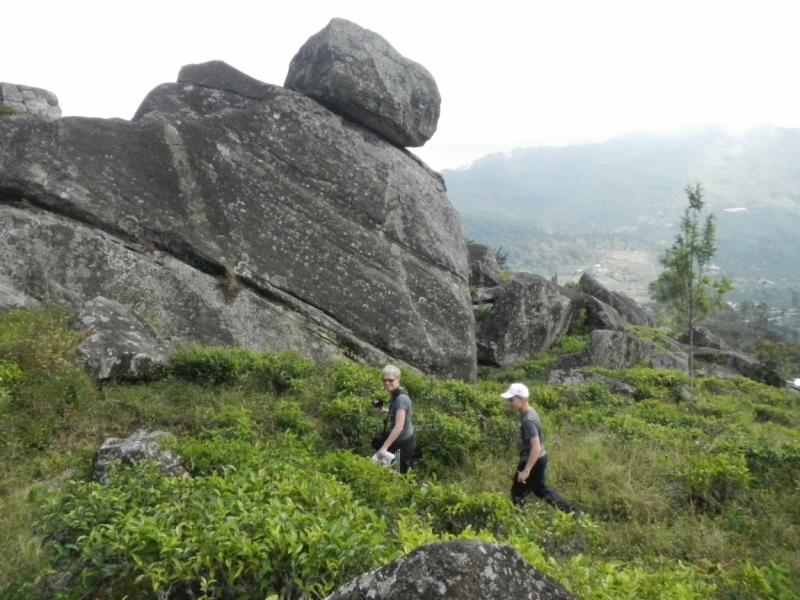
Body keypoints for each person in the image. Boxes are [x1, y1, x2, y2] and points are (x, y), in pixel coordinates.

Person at [502, 383, 581, 515]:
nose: (509, 403)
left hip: (533, 460)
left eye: (511, 400)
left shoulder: (527, 420)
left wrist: (526, 470)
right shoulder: (530, 410)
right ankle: (572, 512)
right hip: (539, 459)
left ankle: (520, 520)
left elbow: (536, 447)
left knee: (518, 494)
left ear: (522, 400)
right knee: (539, 490)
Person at [375, 365, 415, 474]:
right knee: (376, 440)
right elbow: (401, 412)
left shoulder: (401, 398)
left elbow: (398, 427)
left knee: (399, 474)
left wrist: (384, 448)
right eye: (384, 380)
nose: (387, 383)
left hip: (403, 442)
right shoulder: (397, 392)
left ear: (398, 379)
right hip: (404, 439)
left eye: (391, 380)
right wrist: (387, 411)